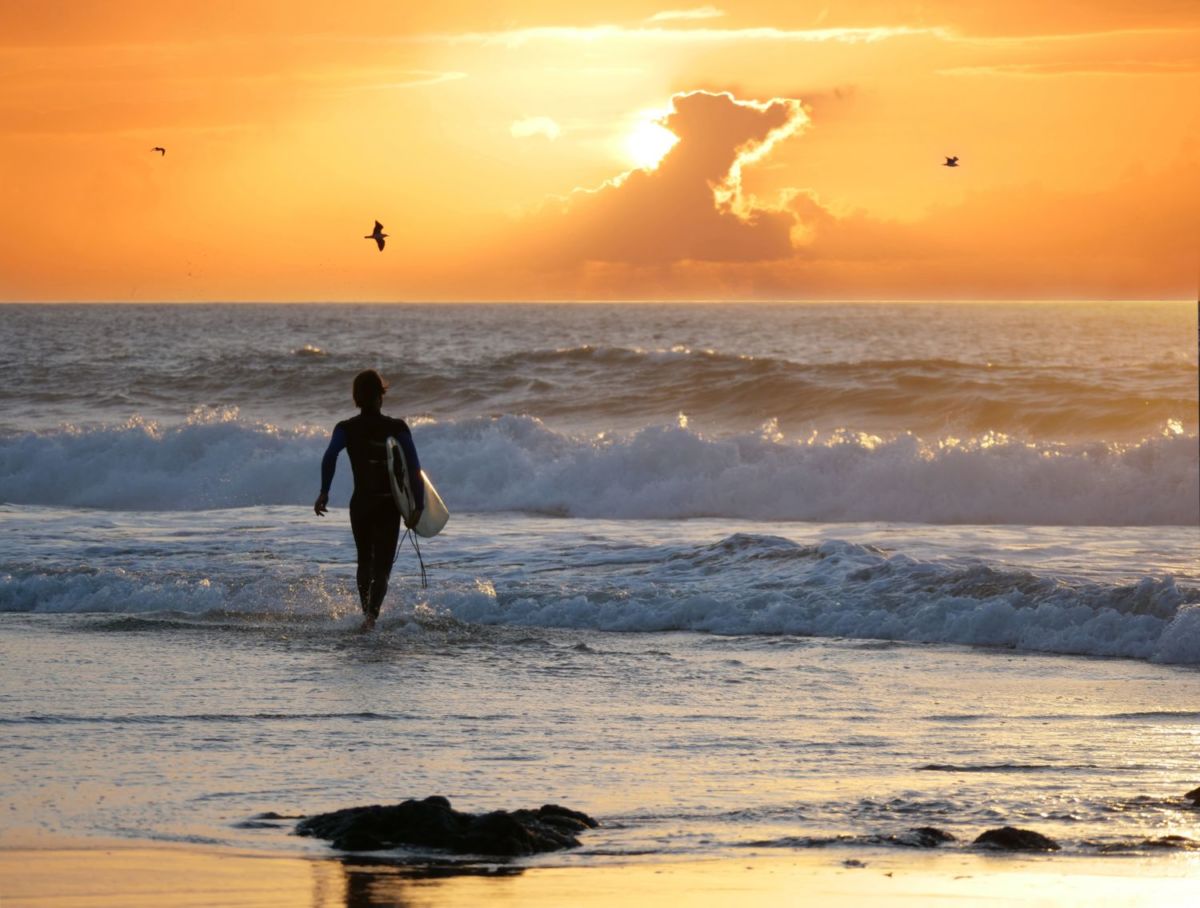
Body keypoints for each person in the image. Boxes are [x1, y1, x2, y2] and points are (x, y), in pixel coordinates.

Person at [315, 369, 424, 631]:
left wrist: (324, 491)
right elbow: (413, 465)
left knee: (365, 560)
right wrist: (418, 506)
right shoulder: (396, 427)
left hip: (361, 503)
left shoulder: (346, 428)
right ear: (380, 396)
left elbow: (330, 455)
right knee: (383, 566)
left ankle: (366, 614)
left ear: (356, 398)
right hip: (388, 505)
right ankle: (372, 617)